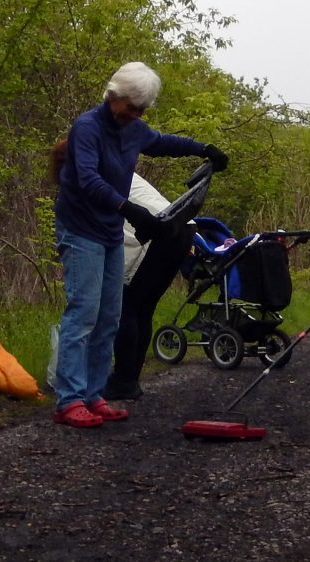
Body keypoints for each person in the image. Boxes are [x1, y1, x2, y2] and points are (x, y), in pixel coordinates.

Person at [51, 61, 228, 428]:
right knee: (83, 312)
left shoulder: (133, 128)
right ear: (113, 96)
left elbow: (162, 143)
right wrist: (129, 208)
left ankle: (94, 395)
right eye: (130, 107)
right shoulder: (88, 128)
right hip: (81, 230)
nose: (135, 115)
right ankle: (69, 399)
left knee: (110, 316)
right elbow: (86, 179)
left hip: (110, 232)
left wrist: (204, 149)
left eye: (141, 110)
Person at [102, 174, 195, 401]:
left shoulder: (94, 171)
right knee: (144, 308)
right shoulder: (120, 164)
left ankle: (124, 380)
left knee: (128, 306)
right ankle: (129, 378)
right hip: (182, 226)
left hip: (155, 231)